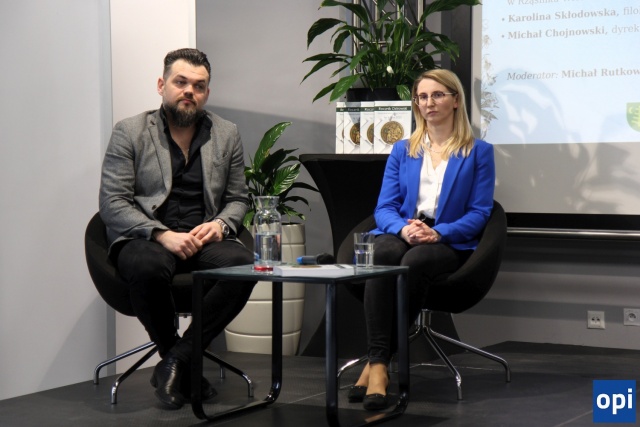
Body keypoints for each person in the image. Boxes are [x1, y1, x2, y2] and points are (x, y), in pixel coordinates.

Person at [99, 48, 256, 410]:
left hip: (202, 239)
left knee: (243, 265)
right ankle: (181, 362)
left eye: (198, 86)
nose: (189, 91)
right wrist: (160, 234)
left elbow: (238, 199)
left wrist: (220, 224)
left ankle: (176, 361)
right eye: (181, 82)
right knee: (147, 266)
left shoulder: (226, 133)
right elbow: (112, 202)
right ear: (162, 85)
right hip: (146, 237)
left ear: (207, 93)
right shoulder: (130, 131)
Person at [347, 69, 495, 411]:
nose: (429, 102)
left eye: (438, 94)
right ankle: (380, 363)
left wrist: (439, 232)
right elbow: (384, 207)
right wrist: (403, 230)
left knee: (414, 262)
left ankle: (376, 364)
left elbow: (480, 212)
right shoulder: (403, 150)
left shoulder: (478, 152)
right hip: (406, 230)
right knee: (383, 253)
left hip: (448, 240)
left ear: (455, 100)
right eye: (422, 96)